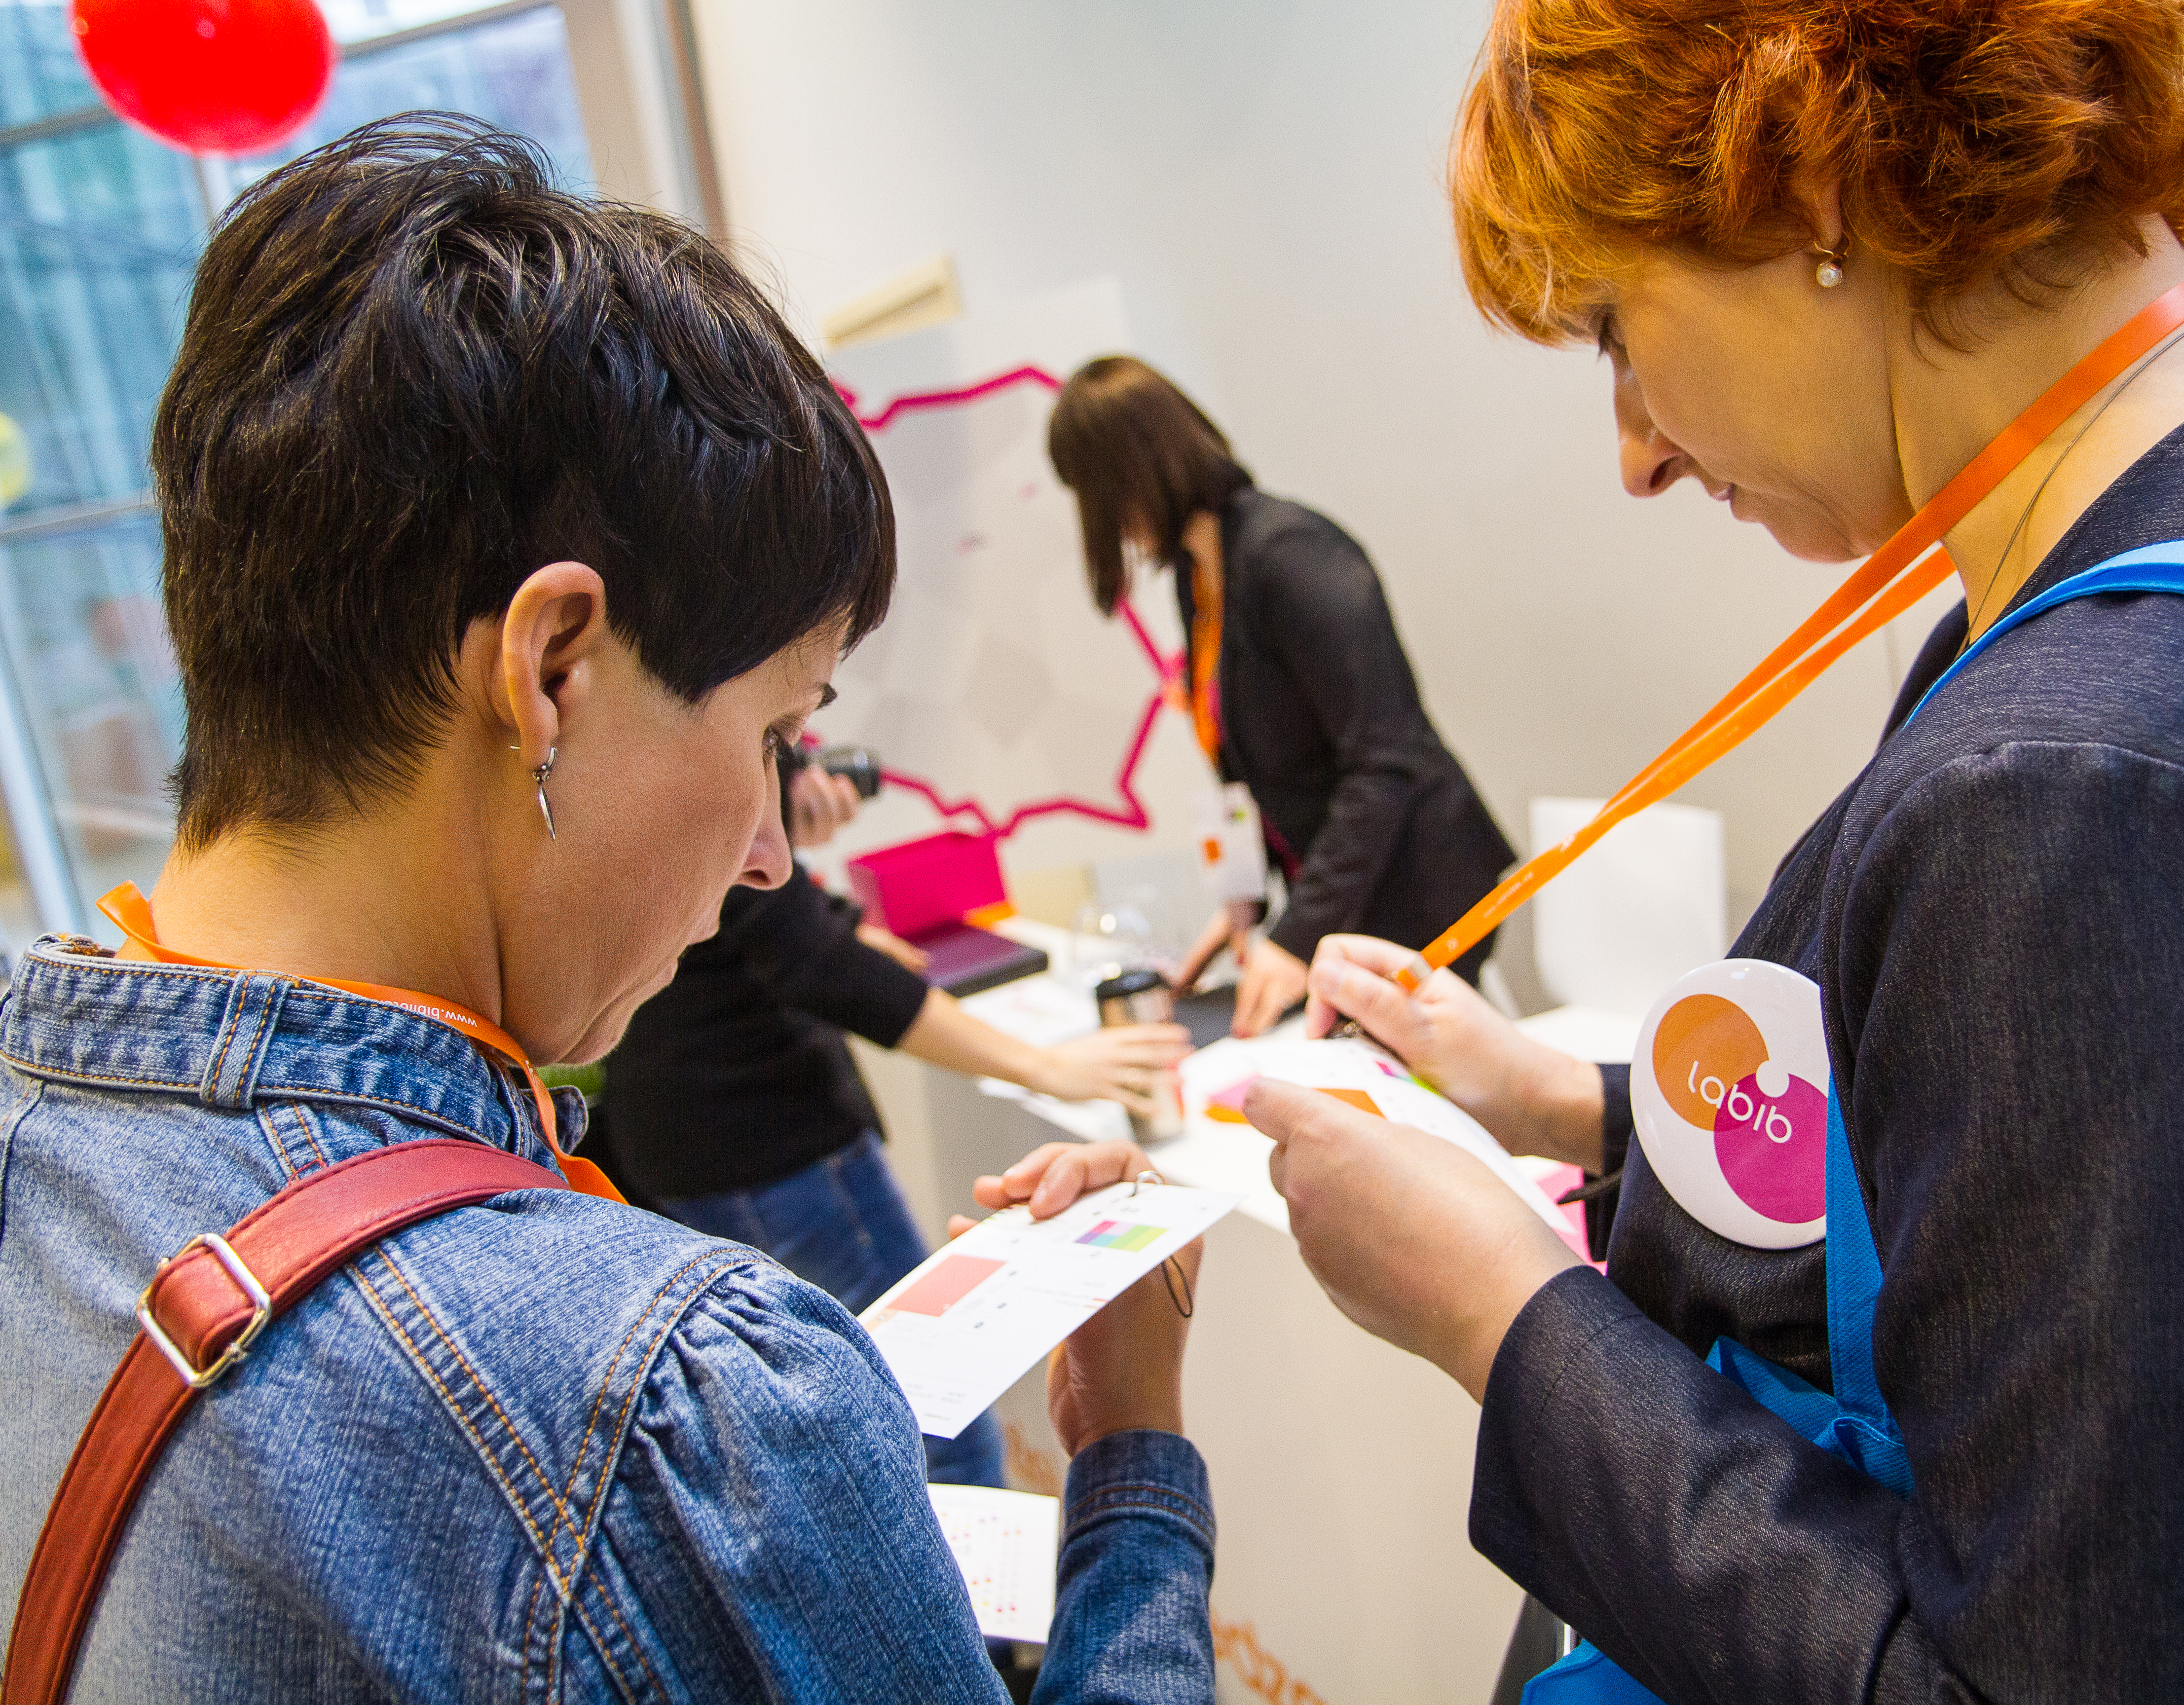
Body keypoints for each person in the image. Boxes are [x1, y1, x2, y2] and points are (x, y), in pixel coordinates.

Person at [1232, 1, 2184, 1698]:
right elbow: (2069, 1174)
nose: (1632, 450)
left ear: (1804, 192)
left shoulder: (2098, 788)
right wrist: (1585, 1113)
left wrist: (1497, 1317)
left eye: (1616, 332)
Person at [0, 117, 1214, 1702]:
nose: (774, 853)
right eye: (773, 734)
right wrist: (1134, 1473)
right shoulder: (667, 1405)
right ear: (552, 669)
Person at [599, 741, 1191, 1490]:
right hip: (765, 1145)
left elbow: (764, 918)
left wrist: (825, 910)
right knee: (942, 1430)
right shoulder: (715, 717)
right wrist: (1049, 1069)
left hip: (693, 1137)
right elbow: (808, 958)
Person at [1047, 356, 1516, 1036]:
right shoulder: (1198, 575)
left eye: (1092, 494)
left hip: (1421, 890)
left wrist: (1293, 941)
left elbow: (1388, 761)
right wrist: (1242, 897)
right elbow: (1248, 766)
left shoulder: (1291, 558)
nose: (1105, 523)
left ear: (1129, 475)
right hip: (1342, 894)